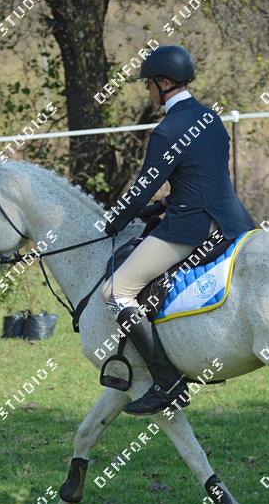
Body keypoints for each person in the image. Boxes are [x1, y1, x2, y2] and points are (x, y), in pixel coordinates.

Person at [100, 44, 256, 416]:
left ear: (164, 83)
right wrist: (163, 205)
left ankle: (166, 382)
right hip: (233, 220)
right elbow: (203, 177)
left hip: (192, 228)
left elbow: (143, 187)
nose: (148, 91)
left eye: (149, 84)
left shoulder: (167, 130)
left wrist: (113, 222)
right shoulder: (211, 118)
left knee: (116, 292)